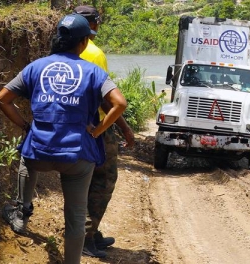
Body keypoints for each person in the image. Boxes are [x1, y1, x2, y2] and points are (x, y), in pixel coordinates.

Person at [0, 14, 127, 264]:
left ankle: (22, 210)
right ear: (83, 43)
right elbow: (119, 103)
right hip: (77, 156)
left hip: (39, 153)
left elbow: (2, 99)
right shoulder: (94, 72)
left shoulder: (36, 67)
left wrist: (26, 126)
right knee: (76, 216)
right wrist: (98, 131)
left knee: (26, 158)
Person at [73, 5, 135, 259]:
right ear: (93, 24)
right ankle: (86, 237)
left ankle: (89, 232)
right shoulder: (94, 52)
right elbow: (105, 99)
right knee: (104, 180)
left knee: (82, 181)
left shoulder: (61, 50)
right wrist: (124, 127)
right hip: (95, 127)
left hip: (71, 125)